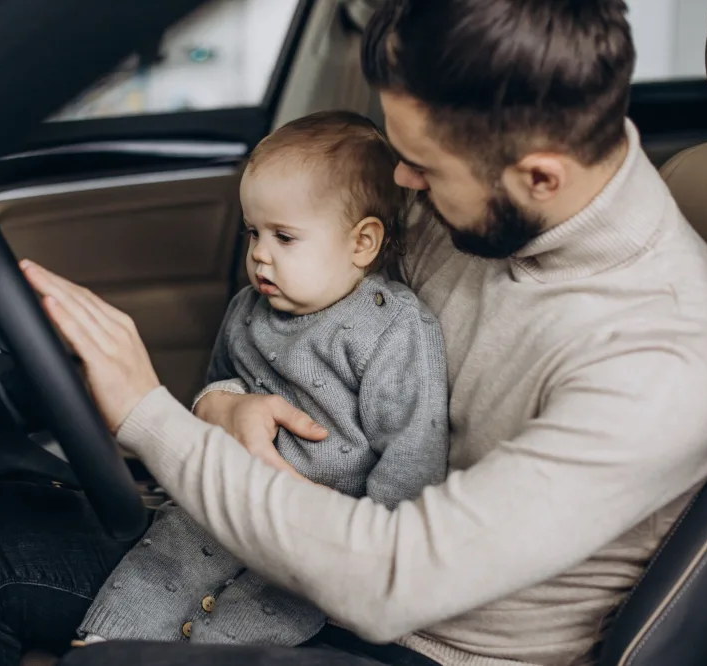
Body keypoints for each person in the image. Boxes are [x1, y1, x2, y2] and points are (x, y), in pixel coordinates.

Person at [0, 1, 707, 665]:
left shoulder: (666, 358)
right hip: (293, 557)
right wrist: (220, 406)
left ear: (540, 173)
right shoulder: (482, 205)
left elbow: (393, 581)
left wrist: (149, 414)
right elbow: (296, 352)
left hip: (416, 644)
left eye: (424, 168)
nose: (403, 184)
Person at [78, 110, 449, 648]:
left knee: (256, 621)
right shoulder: (247, 309)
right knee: (154, 571)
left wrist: (362, 550)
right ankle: (103, 648)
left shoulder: (396, 331)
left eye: (284, 237)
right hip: (214, 512)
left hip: (306, 551)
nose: (258, 254)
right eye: (254, 232)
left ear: (362, 243)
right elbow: (219, 384)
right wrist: (223, 401)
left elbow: (412, 462)